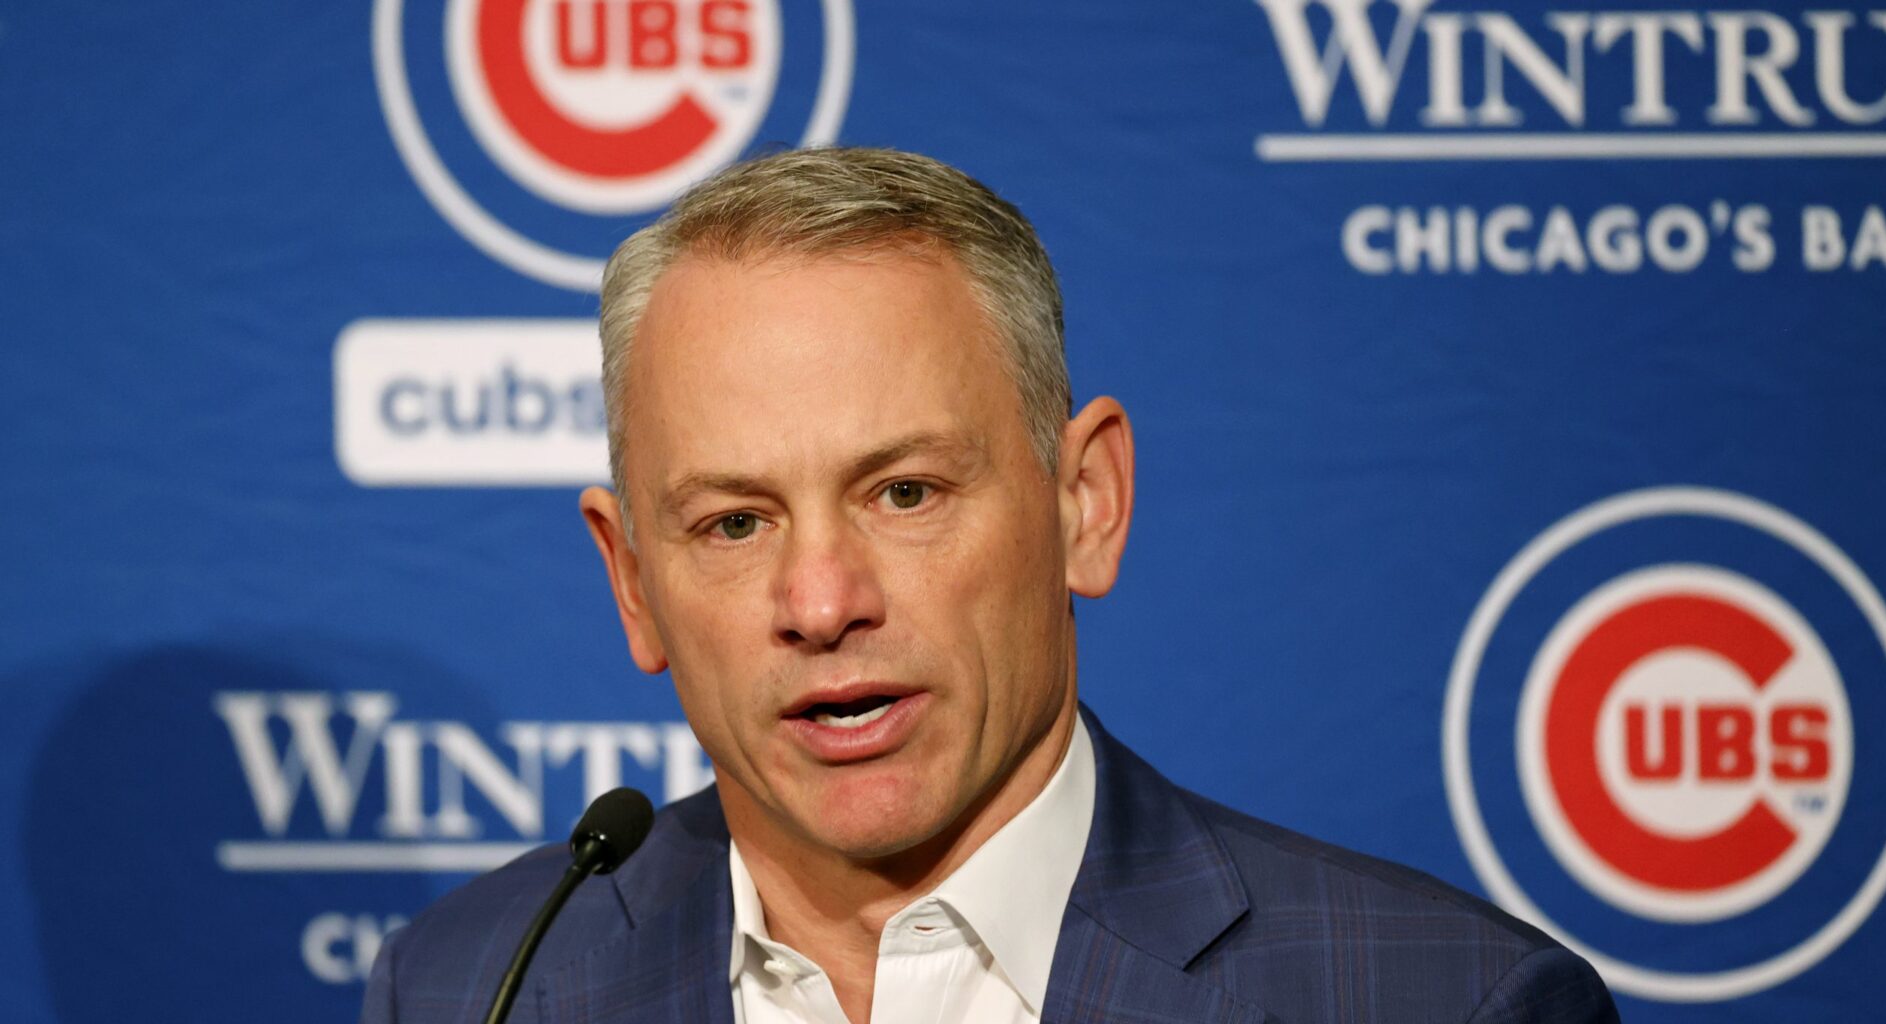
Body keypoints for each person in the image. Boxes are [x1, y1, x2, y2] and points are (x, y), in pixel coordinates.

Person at [361, 147, 1618, 1024]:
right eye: (735, 521)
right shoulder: (475, 989)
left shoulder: (1434, 999)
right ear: (633, 582)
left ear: (1085, 503)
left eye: (904, 493)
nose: (820, 598)